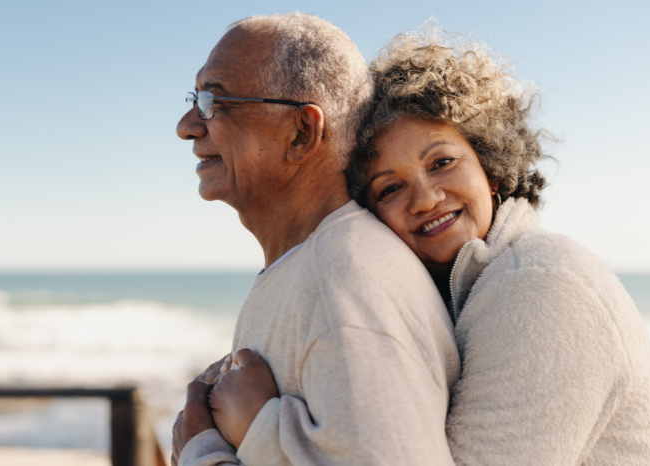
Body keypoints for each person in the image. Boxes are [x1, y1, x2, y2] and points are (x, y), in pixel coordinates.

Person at [211, 29, 650, 465]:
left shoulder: (541, 284)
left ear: (491, 166)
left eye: (443, 162)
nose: (426, 198)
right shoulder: (467, 289)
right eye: (389, 188)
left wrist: (259, 429)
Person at [173, 13, 460, 466]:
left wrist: (202, 453)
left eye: (215, 100)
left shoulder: (344, 280)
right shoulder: (315, 266)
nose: (187, 125)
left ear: (302, 132)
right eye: (195, 98)